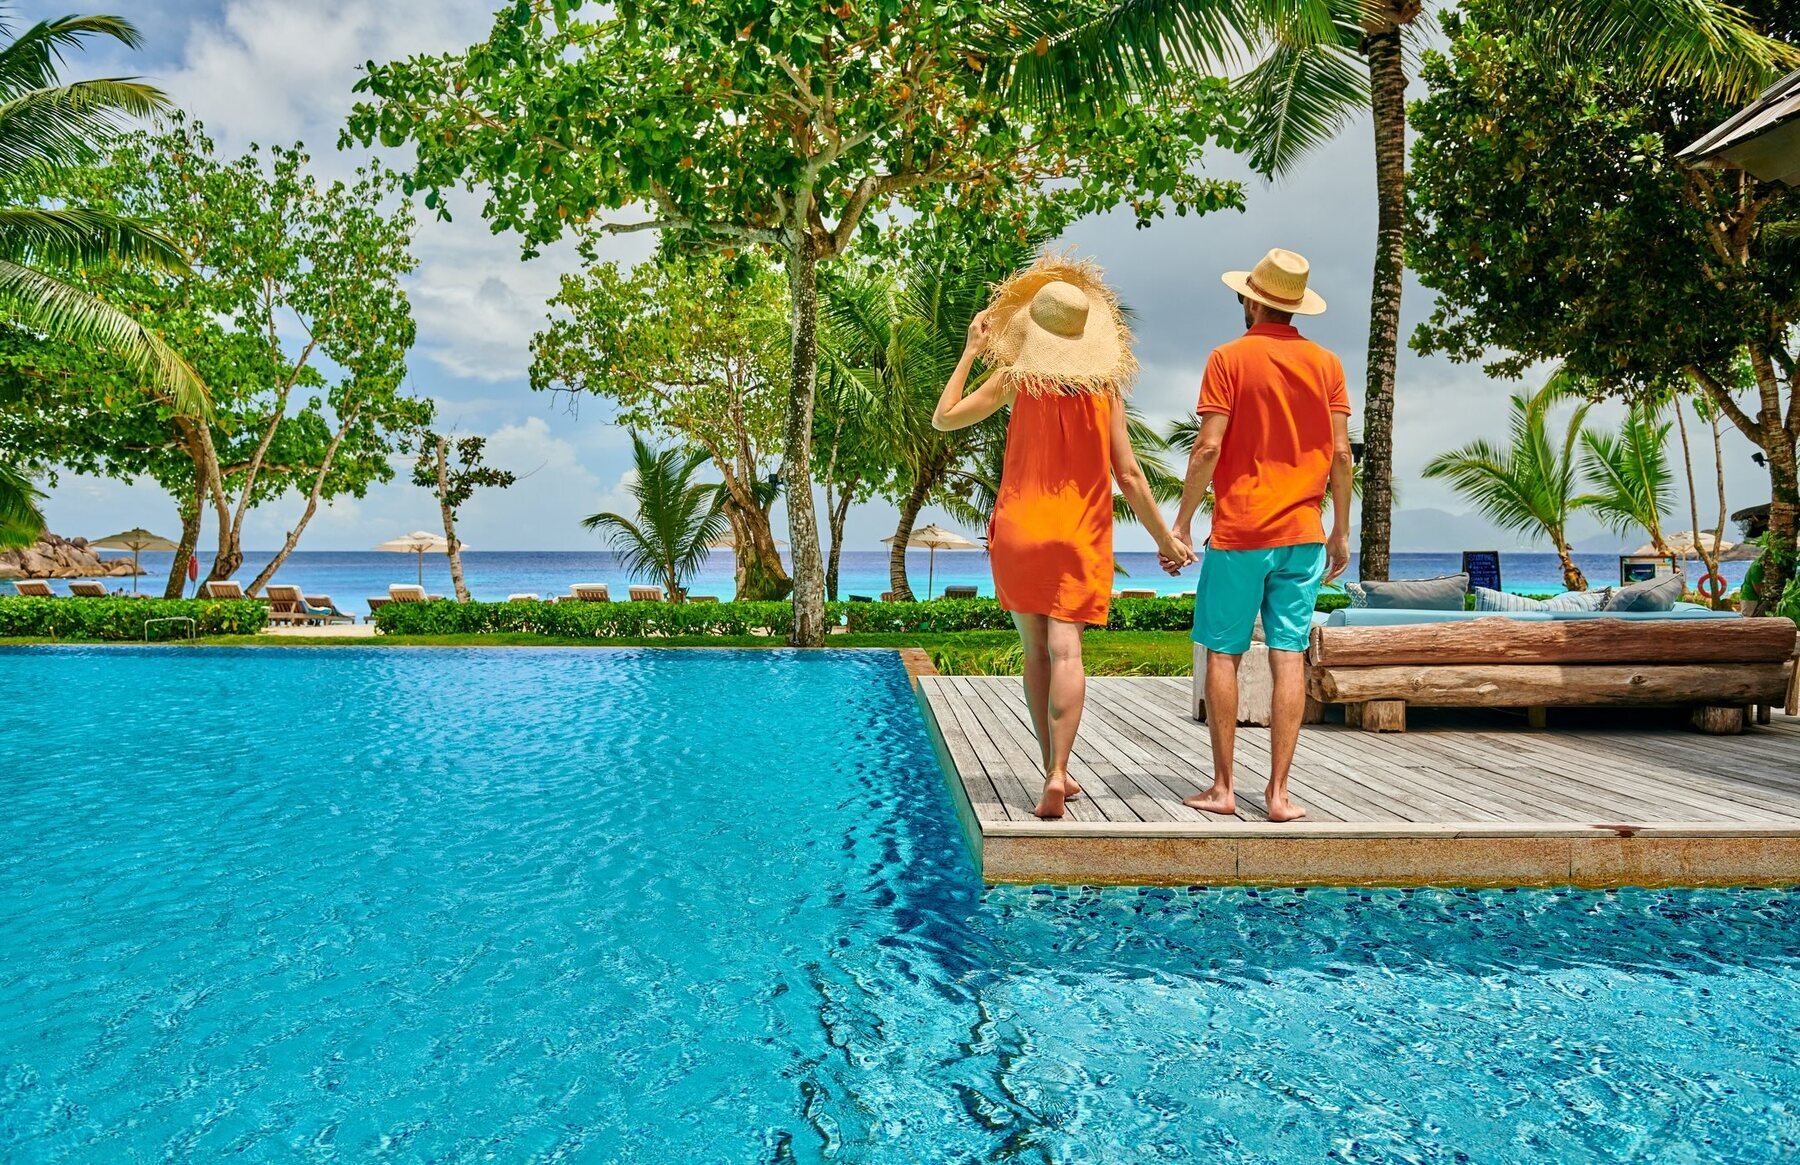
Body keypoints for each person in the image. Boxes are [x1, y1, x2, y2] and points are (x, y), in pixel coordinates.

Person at [933, 253, 1194, 819]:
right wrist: (1164, 539)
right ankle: (1058, 772)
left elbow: (944, 417)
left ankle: (1050, 768)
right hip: (1079, 534)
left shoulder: (1015, 379)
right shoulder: (1105, 389)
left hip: (1021, 530)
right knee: (1067, 650)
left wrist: (972, 350)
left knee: (1035, 652)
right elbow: (1130, 475)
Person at [1168, 248, 1354, 823]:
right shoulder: (1327, 364)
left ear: (1252, 301)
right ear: (1295, 306)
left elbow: (1208, 447)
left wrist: (1181, 522)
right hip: (1304, 533)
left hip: (1241, 531)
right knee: (1288, 654)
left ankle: (1224, 788)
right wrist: (1340, 531)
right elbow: (1342, 455)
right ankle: (1278, 794)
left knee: (1223, 652)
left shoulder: (1227, 358)